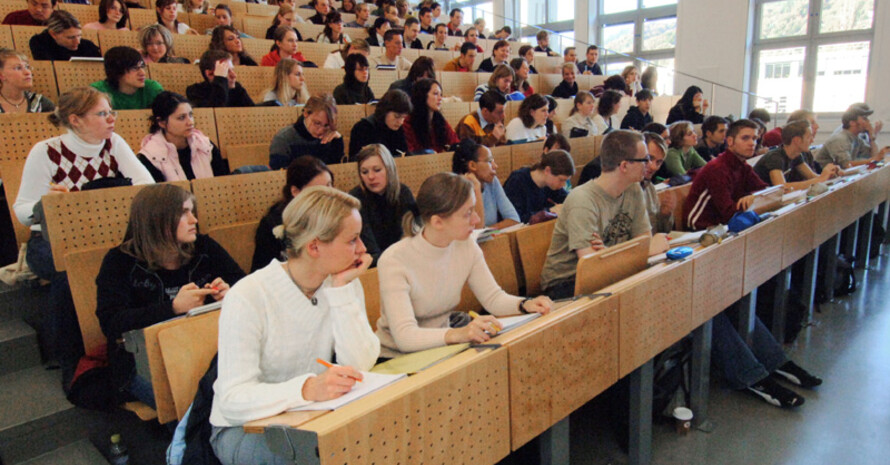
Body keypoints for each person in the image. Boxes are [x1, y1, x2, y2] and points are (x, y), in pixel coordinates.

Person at [210, 187, 379, 464]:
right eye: (352, 240)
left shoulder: (341, 281)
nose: (362, 249)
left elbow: (362, 364)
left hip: (311, 416)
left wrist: (340, 291)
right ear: (314, 247)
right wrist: (306, 389)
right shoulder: (249, 295)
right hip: (244, 428)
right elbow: (232, 399)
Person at [14, 87, 154, 386]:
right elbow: (22, 210)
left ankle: (130, 355)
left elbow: (146, 184)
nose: (111, 120)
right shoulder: (46, 151)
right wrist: (46, 202)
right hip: (50, 242)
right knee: (71, 274)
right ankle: (69, 360)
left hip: (103, 237)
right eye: (103, 114)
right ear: (75, 120)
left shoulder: (113, 144)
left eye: (111, 112)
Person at [96, 184, 244, 408]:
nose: (194, 220)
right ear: (158, 220)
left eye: (192, 211)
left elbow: (245, 285)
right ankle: (190, 442)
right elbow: (112, 322)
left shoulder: (203, 246)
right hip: (144, 364)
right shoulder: (119, 261)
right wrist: (172, 308)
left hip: (205, 350)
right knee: (198, 403)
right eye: (184, 213)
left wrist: (230, 292)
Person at [376, 172, 551, 357]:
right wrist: (459, 334)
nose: (476, 220)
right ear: (437, 222)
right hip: (396, 359)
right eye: (468, 213)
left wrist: (525, 304)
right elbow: (406, 337)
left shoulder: (465, 245)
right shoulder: (394, 260)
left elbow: (493, 298)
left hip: (443, 348)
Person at [540, 130, 668, 299]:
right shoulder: (582, 199)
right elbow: (592, 267)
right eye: (645, 159)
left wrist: (608, 253)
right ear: (624, 166)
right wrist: (633, 251)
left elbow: (643, 243)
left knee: (659, 286)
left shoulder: (634, 189)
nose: (650, 165)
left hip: (609, 272)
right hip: (566, 282)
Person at [682, 119, 771, 230]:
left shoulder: (743, 166)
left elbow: (765, 191)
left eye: (754, 139)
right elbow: (728, 212)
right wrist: (753, 201)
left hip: (724, 225)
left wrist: (753, 197)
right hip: (701, 229)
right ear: (730, 141)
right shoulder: (718, 169)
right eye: (745, 138)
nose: (752, 143)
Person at [252, 156, 334, 271]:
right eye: (318, 191)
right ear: (295, 191)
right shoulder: (272, 224)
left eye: (329, 185)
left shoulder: (337, 215)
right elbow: (263, 272)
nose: (328, 195)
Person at [138, 91, 229, 182]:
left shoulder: (206, 145)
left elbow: (222, 184)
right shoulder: (149, 157)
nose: (190, 122)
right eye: (181, 118)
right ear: (161, 122)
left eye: (190, 115)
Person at [348, 144, 417, 265]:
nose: (371, 177)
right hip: (374, 264)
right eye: (364, 172)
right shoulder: (356, 198)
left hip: (405, 260)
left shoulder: (404, 192)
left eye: (377, 170)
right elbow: (370, 249)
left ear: (389, 169)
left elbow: (413, 235)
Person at [754, 120, 839, 189]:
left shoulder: (796, 155)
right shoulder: (775, 157)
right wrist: (821, 178)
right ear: (797, 140)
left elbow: (812, 177)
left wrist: (830, 174)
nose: (812, 141)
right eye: (809, 137)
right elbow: (782, 188)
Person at [452, 138, 519, 227]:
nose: (495, 166)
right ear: (472, 165)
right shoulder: (456, 190)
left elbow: (514, 219)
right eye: (489, 161)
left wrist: (488, 231)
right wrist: (476, 188)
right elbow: (476, 230)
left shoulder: (492, 182)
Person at [270, 94, 344, 169]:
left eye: (326, 125)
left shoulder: (331, 138)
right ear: (305, 113)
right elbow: (278, 175)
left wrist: (337, 143)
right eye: (317, 123)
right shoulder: (283, 139)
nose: (321, 130)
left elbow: (335, 172)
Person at [504, 150, 574, 223]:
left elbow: (568, 199)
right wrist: (549, 211)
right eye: (561, 180)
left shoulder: (551, 184)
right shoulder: (517, 181)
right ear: (547, 170)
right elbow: (515, 218)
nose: (563, 185)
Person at [815, 103, 888, 170]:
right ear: (852, 123)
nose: (868, 122)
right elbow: (847, 165)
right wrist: (873, 160)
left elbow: (872, 156)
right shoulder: (839, 139)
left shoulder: (857, 139)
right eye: (864, 118)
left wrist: (872, 137)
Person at [90, 47, 163, 110]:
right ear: (117, 71)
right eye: (134, 68)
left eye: (142, 67)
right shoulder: (97, 92)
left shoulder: (152, 88)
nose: (142, 73)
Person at [348, 89, 411, 158]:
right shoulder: (362, 128)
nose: (401, 122)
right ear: (385, 111)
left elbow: (405, 154)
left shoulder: (399, 129)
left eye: (403, 117)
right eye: (397, 116)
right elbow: (354, 161)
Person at [402, 78, 459, 153]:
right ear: (423, 96)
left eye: (440, 95)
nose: (440, 98)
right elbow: (411, 152)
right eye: (435, 94)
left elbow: (454, 141)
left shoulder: (440, 120)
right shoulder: (408, 122)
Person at [186, 50, 254, 108]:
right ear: (210, 74)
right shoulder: (195, 91)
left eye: (232, 70)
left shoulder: (237, 88)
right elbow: (216, 111)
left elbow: (252, 111)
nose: (234, 75)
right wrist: (220, 79)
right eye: (226, 71)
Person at [29, 11, 101, 61]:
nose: (77, 42)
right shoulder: (39, 42)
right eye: (71, 37)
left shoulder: (88, 46)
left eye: (79, 36)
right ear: (53, 34)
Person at [639, 132, 674, 234]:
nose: (653, 167)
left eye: (658, 162)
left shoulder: (649, 188)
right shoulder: (621, 190)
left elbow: (661, 232)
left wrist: (664, 215)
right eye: (649, 158)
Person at [0, 49, 54, 113]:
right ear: (1, 75)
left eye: (27, 67)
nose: (27, 72)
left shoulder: (40, 103)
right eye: (18, 68)